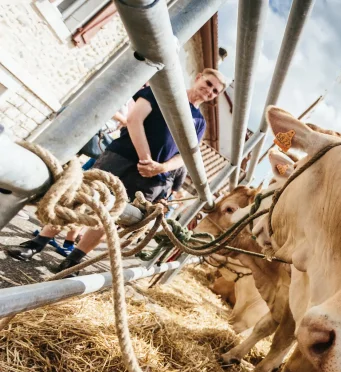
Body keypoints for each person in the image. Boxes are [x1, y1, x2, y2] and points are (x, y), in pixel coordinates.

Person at [7, 68, 228, 274]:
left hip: (152, 178)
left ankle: (73, 260)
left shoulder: (199, 122)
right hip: (122, 156)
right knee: (80, 198)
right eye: (208, 83)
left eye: (214, 91)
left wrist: (161, 167)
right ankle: (36, 244)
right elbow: (134, 120)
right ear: (198, 77)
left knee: (113, 216)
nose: (209, 91)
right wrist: (146, 159)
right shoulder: (162, 92)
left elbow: (186, 157)